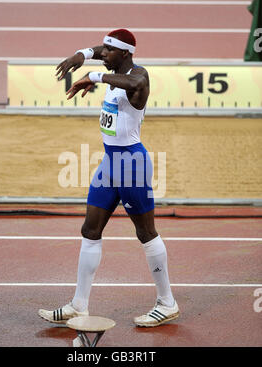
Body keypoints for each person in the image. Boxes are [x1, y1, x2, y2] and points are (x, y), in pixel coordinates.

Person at [38, 29, 179, 327]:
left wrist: (94, 77)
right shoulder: (114, 67)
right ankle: (79, 305)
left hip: (132, 164)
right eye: (102, 50)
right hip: (109, 163)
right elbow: (99, 53)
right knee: (90, 229)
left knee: (145, 232)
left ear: (125, 54)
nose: (103, 54)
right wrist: (83, 54)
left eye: (109, 51)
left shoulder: (138, 76)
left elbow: (134, 82)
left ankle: (167, 303)